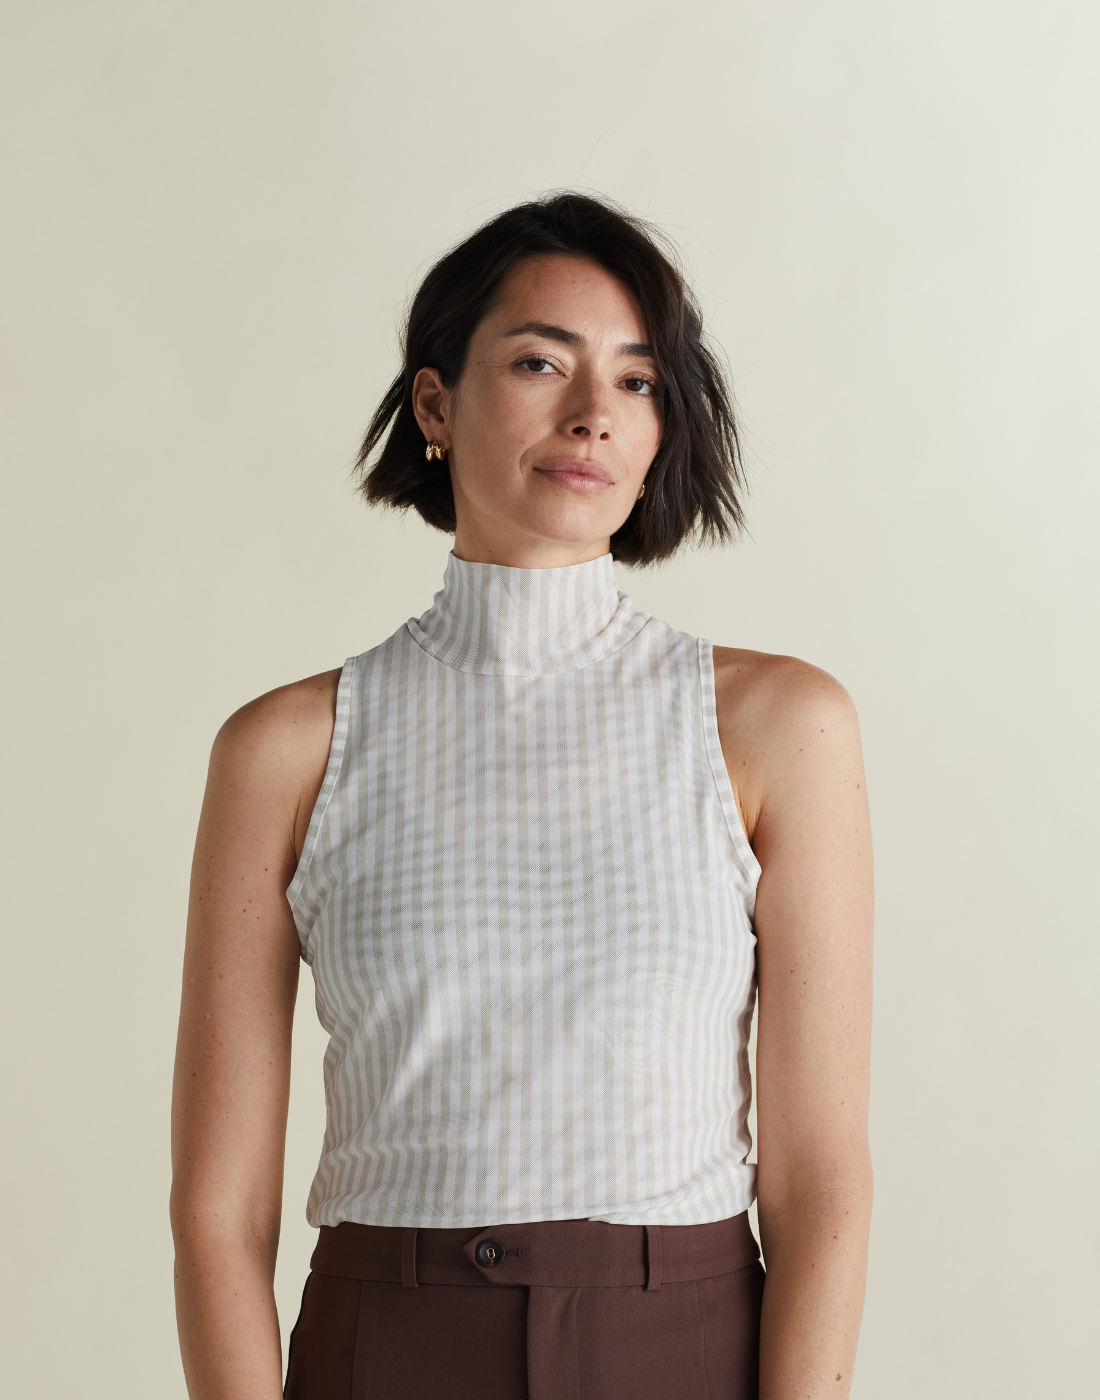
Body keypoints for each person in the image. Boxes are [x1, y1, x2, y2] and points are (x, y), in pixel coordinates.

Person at [170, 192, 874, 1400]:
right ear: (434, 405)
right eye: (541, 362)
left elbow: (818, 1182)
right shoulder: (286, 750)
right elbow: (217, 1209)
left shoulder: (772, 727)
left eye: (638, 381)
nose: (593, 413)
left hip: (682, 1342)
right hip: (382, 1345)